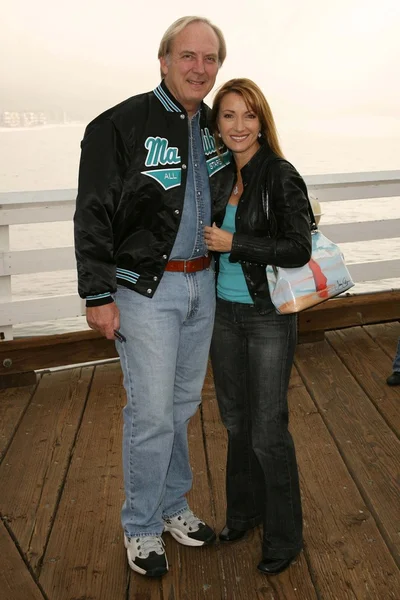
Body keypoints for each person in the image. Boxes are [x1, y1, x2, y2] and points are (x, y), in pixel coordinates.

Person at [74, 16, 229, 578]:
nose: (199, 68)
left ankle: (172, 506)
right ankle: (140, 525)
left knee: (182, 408)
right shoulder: (118, 125)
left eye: (210, 59)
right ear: (163, 60)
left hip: (202, 284)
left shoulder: (216, 127)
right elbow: (91, 213)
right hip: (145, 290)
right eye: (188, 56)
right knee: (151, 414)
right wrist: (97, 293)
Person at [204, 78, 312, 575]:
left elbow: (298, 248)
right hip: (223, 316)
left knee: (268, 430)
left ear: (262, 121)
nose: (239, 126)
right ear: (217, 124)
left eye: (248, 115)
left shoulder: (279, 174)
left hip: (267, 316)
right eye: (228, 116)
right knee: (235, 423)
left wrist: (235, 243)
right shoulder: (221, 174)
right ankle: (243, 515)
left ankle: (285, 536)